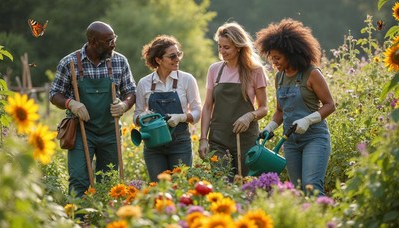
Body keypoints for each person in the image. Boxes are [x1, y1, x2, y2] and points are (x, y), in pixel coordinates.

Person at [49, 21, 136, 197]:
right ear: (93, 41)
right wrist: (70, 103)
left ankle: (104, 220)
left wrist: (124, 105)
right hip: (81, 132)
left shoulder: (119, 61)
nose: (114, 44)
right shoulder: (70, 62)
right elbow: (54, 94)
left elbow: (131, 92)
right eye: (109, 41)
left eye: (114, 39)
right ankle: (79, 222)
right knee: (79, 180)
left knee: (109, 181)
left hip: (110, 131)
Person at [254, 18, 336, 196]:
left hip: (314, 139)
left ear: (291, 53)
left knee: (312, 187)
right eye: (271, 58)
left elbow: (330, 105)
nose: (274, 62)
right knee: (298, 191)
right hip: (290, 142)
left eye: (278, 58)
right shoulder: (280, 77)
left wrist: (308, 120)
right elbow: (280, 111)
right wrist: (270, 127)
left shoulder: (311, 73)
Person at [198, 22, 268, 178]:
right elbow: (208, 106)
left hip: (246, 140)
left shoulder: (255, 71)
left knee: (246, 185)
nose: (222, 51)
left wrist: (249, 116)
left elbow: (264, 108)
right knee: (221, 183)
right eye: (220, 46)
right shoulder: (214, 70)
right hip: (218, 139)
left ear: (238, 47)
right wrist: (203, 139)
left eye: (226, 47)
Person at [133, 35, 201, 182]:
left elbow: (197, 113)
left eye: (178, 54)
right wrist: (143, 116)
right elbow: (136, 118)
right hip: (153, 146)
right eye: (172, 56)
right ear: (158, 60)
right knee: (158, 189)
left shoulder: (187, 80)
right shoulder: (144, 83)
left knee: (180, 186)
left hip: (180, 143)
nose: (177, 59)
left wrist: (181, 117)